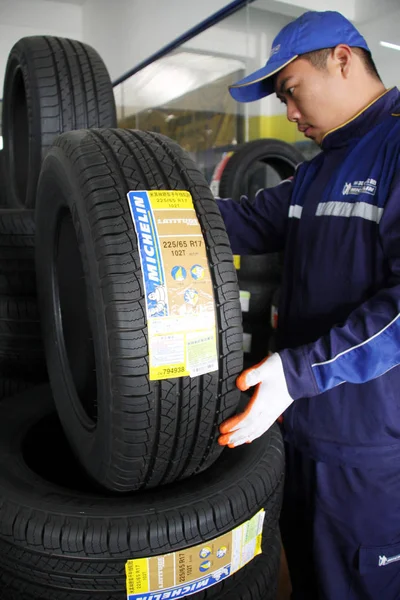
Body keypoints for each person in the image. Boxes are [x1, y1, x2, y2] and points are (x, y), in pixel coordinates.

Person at [216, 10, 400, 600]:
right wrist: (119, 192)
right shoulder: (317, 173)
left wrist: (298, 373)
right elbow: (237, 223)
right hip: (296, 430)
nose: (288, 115)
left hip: (367, 452)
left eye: (291, 92)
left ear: (342, 59)